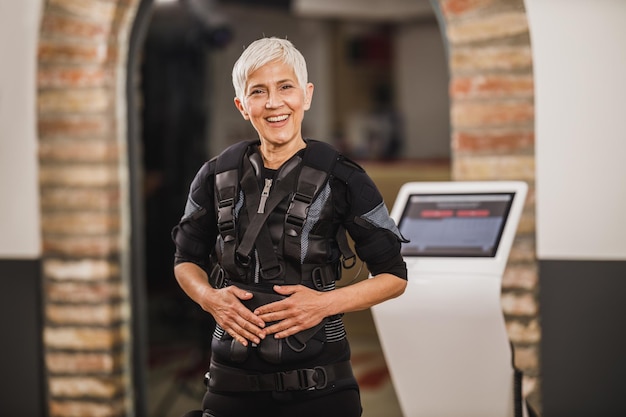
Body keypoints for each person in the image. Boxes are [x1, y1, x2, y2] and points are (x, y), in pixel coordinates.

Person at [171, 37, 408, 417]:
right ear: (242, 106)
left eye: (285, 87)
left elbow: (394, 276)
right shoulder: (214, 175)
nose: (274, 103)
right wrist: (208, 298)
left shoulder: (345, 177)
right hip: (230, 381)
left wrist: (324, 304)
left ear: (306, 95)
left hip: (322, 382)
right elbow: (185, 260)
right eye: (258, 91)